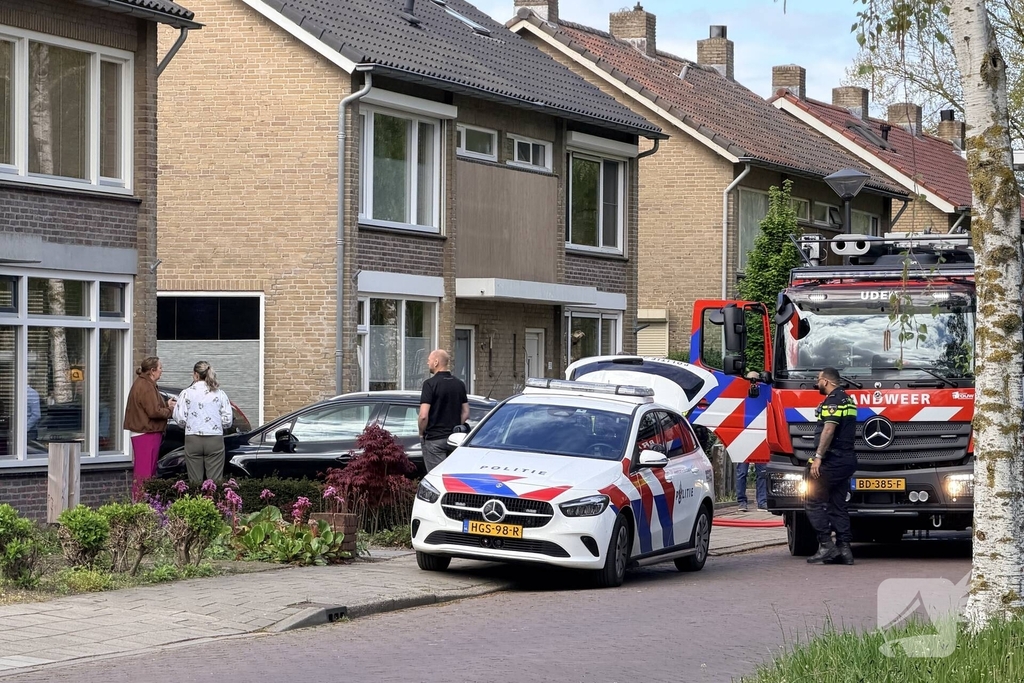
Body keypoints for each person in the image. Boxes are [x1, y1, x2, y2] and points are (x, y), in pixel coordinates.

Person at [805, 367, 858, 565]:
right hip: (847, 460)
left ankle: (826, 545)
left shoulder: (833, 401)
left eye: (818, 380)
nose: (816, 383)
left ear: (826, 382)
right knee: (838, 504)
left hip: (833, 460)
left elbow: (828, 430)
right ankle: (844, 550)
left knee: (812, 500)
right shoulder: (849, 399)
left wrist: (818, 457)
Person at [173, 361, 233, 485]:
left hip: (192, 438)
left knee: (195, 481)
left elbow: (180, 419)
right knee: (215, 481)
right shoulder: (220, 393)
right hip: (214, 438)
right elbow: (227, 421)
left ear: (195, 375)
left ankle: (197, 502)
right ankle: (214, 502)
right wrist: (215, 422)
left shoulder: (186, 393)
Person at [123, 357, 176, 488]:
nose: (161, 371)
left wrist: (165, 404)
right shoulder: (146, 386)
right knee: (144, 474)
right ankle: (140, 503)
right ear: (152, 371)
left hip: (145, 432)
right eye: (160, 368)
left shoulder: (144, 384)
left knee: (147, 473)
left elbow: (149, 407)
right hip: (146, 433)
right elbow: (154, 412)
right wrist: (170, 410)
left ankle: (143, 502)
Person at [418, 349, 469, 472]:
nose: (427, 363)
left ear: (436, 362)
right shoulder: (459, 384)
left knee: (437, 477)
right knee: (453, 475)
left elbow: (423, 415)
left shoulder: (429, 384)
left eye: (429, 360)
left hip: (434, 439)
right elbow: (466, 412)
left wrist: (421, 433)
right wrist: (454, 425)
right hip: (454, 439)